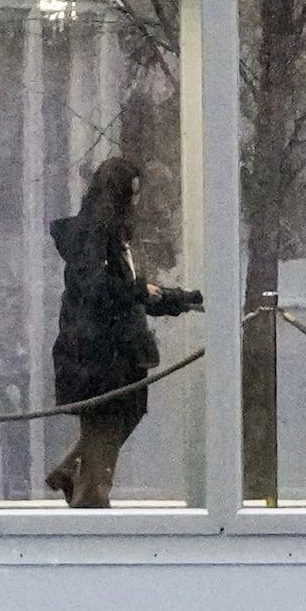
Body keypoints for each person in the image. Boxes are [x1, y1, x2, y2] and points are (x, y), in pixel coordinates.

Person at [43, 156, 203, 506]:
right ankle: (90, 502)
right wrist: (141, 292)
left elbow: (126, 291)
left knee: (120, 417)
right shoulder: (94, 238)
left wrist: (177, 300)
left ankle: (72, 471)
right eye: (132, 195)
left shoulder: (109, 238)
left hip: (111, 354)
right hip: (100, 356)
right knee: (106, 429)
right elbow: (105, 290)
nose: (138, 202)